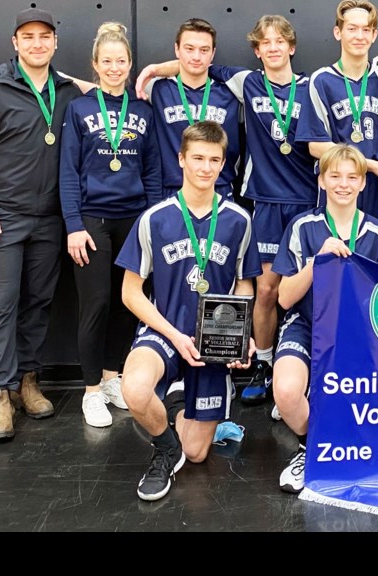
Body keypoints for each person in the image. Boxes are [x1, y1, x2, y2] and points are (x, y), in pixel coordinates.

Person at [134, 15, 317, 407]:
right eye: (264, 43)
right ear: (256, 51)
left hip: (307, 199)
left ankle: (305, 368)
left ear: (292, 46)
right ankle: (261, 364)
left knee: (305, 288)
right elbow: (198, 65)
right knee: (264, 289)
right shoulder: (245, 82)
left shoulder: (313, 86)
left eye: (279, 41)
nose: (272, 48)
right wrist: (155, 69)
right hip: (264, 200)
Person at [0, 8, 84, 441]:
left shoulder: (66, 90)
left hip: (49, 220)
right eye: (27, 36)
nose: (36, 43)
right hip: (0, 218)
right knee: (1, 306)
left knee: (38, 303)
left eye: (44, 36)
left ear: (55, 43)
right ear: (15, 42)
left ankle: (28, 381)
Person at [116, 121, 260, 502]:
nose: (205, 167)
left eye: (214, 160)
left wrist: (242, 334)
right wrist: (176, 337)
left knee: (196, 454)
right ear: (181, 159)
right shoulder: (154, 219)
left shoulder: (239, 221)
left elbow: (246, 283)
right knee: (134, 388)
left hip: (214, 340)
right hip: (166, 331)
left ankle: (181, 404)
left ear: (223, 163)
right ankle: (164, 448)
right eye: (197, 158)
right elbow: (131, 293)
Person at [271, 144, 378, 493]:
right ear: (321, 181)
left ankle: (354, 447)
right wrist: (316, 261)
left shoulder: (377, 232)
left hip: (357, 331)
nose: (343, 184)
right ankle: (312, 447)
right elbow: (284, 297)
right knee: (287, 391)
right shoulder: (303, 226)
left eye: (352, 177)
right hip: (307, 324)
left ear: (363, 183)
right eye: (335, 176)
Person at [59, 22, 160, 428]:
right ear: (94, 65)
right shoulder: (79, 109)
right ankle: (90, 392)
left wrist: (152, 221)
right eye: (107, 62)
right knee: (96, 303)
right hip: (92, 220)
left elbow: (152, 171)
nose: (114, 68)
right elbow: (68, 171)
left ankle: (113, 377)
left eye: (121, 61)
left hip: (134, 219)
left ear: (130, 64)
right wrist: (72, 224)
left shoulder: (143, 112)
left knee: (126, 303)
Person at [296, 0, 378, 224]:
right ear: (338, 32)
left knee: (376, 251)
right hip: (338, 182)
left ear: (374, 35)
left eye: (366, 30)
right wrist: (370, 165)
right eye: (352, 29)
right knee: (334, 249)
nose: (359, 36)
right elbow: (315, 145)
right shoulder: (322, 80)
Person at [140, 18, 242, 200]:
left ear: (213, 54)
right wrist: (154, 70)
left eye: (204, 50)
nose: (196, 57)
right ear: (176, 50)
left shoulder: (231, 91)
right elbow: (111, 88)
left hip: (218, 188)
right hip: (172, 188)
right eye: (189, 49)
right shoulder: (156, 88)